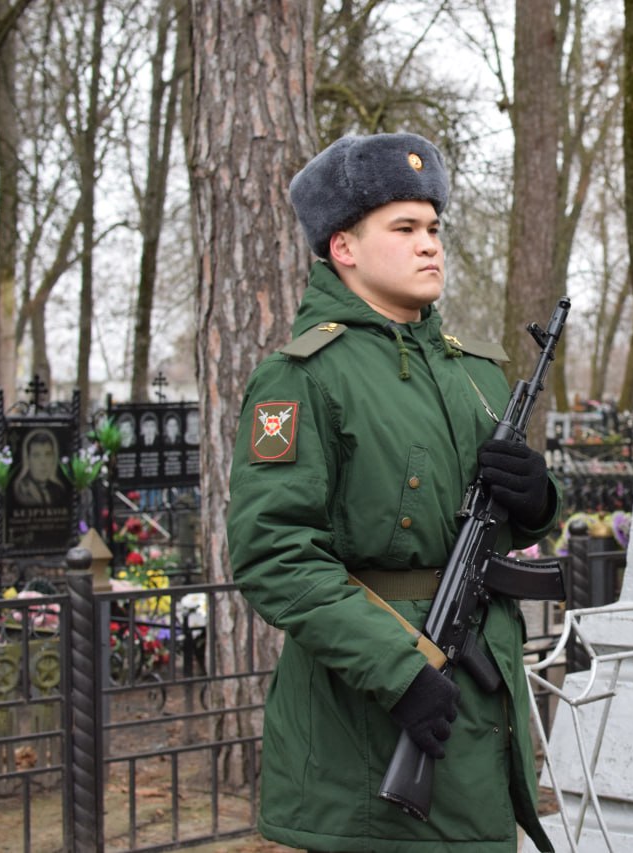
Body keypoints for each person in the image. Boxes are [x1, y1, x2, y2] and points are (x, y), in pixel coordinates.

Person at [227, 132, 559, 853]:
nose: (429, 244)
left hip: (479, 708)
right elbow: (273, 553)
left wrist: (538, 500)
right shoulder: (305, 376)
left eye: (434, 227)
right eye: (404, 228)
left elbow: (494, 528)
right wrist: (400, 670)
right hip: (370, 719)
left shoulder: (477, 374)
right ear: (343, 246)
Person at [10, 428, 69, 507]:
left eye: (48, 454)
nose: (43, 462)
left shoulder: (58, 490)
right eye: (36, 455)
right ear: (28, 459)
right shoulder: (21, 489)